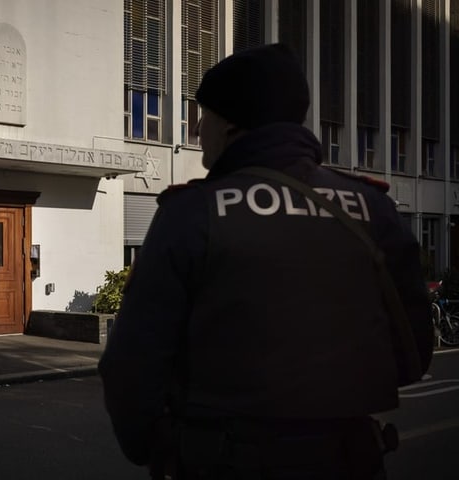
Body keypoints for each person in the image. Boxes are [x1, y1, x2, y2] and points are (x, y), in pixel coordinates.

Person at [98, 43, 433, 479]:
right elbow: (413, 353)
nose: (197, 130)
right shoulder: (373, 208)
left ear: (233, 123)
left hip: (224, 462)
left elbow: (132, 367)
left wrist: (164, 447)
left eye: (205, 114)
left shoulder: (193, 214)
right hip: (351, 461)